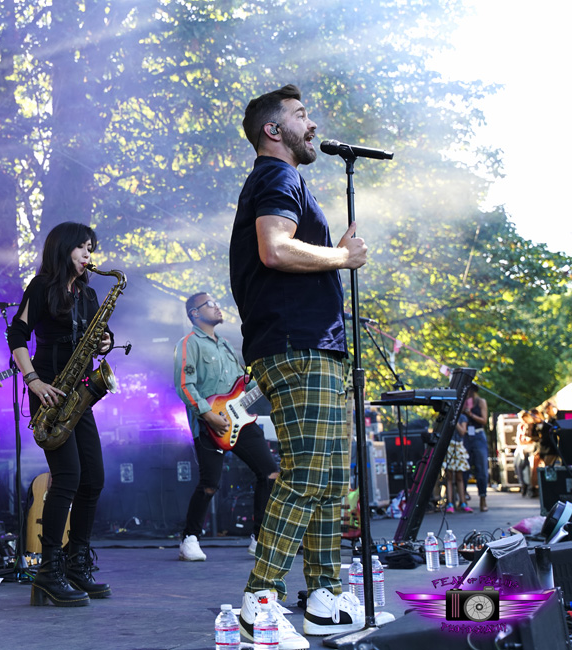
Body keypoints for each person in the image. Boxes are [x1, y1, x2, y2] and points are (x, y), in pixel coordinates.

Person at [228, 84, 393, 649]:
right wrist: (343, 257)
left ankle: (323, 598)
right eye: (301, 116)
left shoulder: (287, 181)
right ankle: (259, 603)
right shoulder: (276, 177)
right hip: (295, 345)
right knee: (305, 474)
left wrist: (333, 256)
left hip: (311, 345)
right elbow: (275, 247)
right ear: (274, 130)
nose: (312, 125)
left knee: (327, 478)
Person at [7, 221, 113, 607]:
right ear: (64, 247)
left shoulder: (87, 293)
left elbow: (96, 339)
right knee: (68, 477)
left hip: (79, 392)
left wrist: (106, 340)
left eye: (91, 248)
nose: (89, 255)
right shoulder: (41, 287)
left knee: (94, 478)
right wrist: (33, 380)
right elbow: (17, 336)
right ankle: (48, 571)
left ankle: (75, 563)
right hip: (50, 391)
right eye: (83, 247)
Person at [173, 292, 278, 561]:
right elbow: (184, 385)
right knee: (210, 484)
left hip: (240, 420)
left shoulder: (228, 346)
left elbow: (245, 383)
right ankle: (190, 538)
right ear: (195, 314)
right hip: (210, 424)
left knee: (270, 473)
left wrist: (272, 381)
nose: (217, 307)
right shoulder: (189, 344)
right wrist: (208, 415)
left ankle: (260, 538)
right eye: (210, 304)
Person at [460, 385, 490, 512]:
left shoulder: (481, 402)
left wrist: (470, 414)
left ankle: (483, 499)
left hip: (478, 435)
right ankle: (463, 499)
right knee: (463, 468)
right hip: (466, 436)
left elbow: (484, 420)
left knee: (481, 469)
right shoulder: (463, 402)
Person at [443, 416, 474, 513]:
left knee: (459, 477)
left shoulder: (462, 418)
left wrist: (455, 422)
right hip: (448, 446)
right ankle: (449, 503)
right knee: (449, 477)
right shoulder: (445, 416)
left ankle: (463, 502)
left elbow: (462, 432)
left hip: (458, 446)